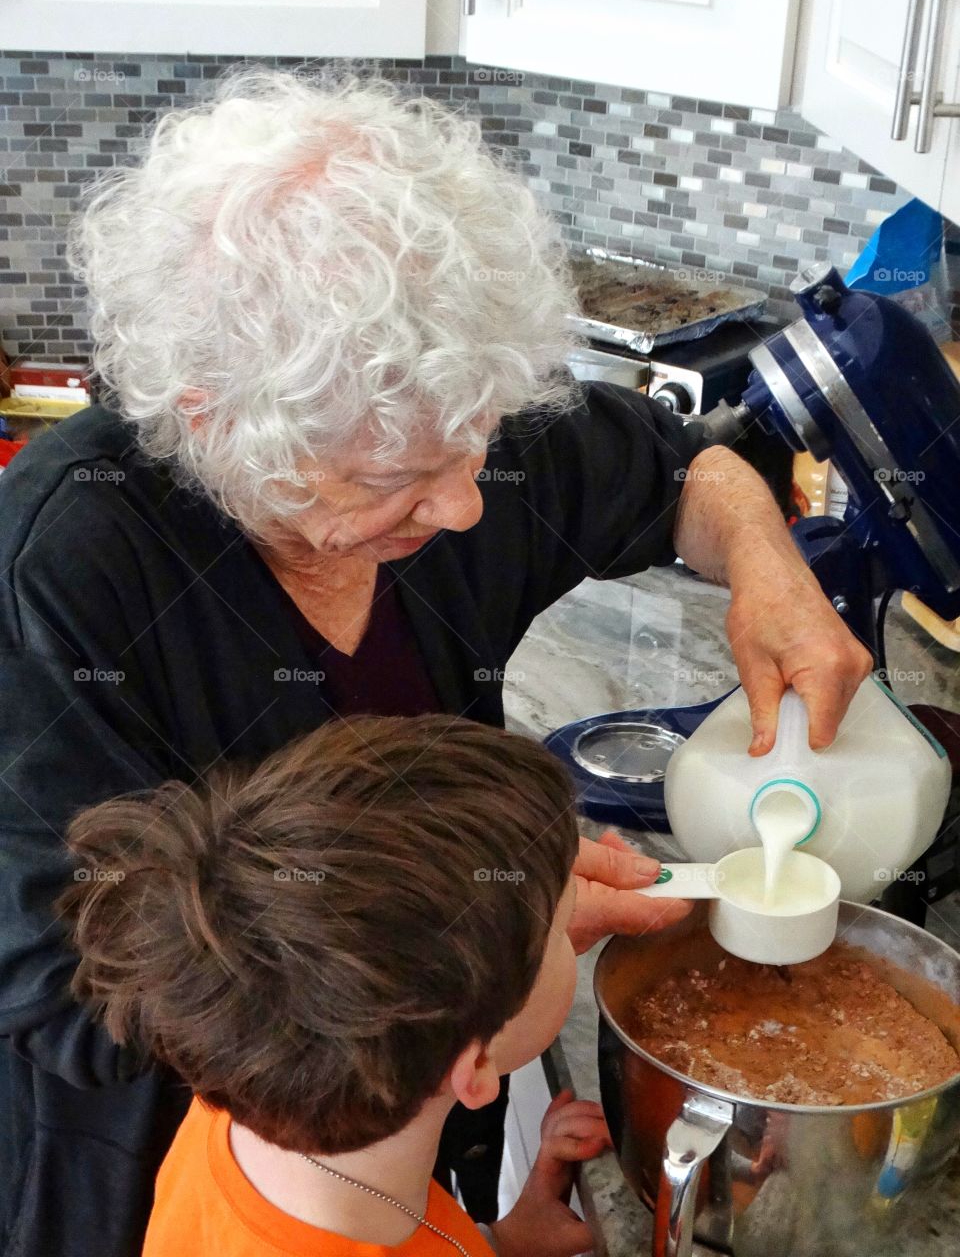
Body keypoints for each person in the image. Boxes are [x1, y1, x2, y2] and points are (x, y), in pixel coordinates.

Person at [0, 66, 872, 1256]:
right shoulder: (70, 563)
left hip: (417, 1130)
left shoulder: (429, 403)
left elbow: (682, 469)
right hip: (187, 1180)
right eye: (394, 479)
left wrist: (769, 564)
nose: (465, 505)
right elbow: (67, 982)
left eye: (471, 445)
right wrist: (472, 932)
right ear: (219, 428)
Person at [58, 714, 615, 1257]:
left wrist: (505, 1242)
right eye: (564, 926)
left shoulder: (240, 1107)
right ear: (473, 1068)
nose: (573, 930)